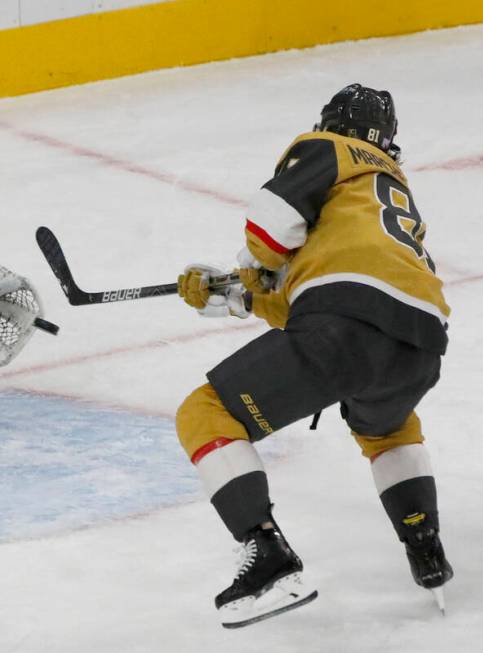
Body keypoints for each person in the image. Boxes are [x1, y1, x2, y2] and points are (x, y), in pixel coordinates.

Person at [174, 84, 453, 628]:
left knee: (204, 414)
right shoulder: (386, 192)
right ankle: (424, 544)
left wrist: (256, 263)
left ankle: (268, 556)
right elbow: (327, 297)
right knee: (387, 429)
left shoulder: (330, 149)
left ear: (332, 122)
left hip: (348, 325)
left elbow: (270, 224)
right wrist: (242, 295)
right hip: (419, 341)